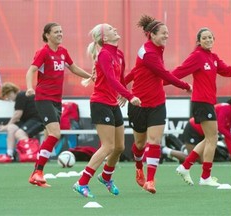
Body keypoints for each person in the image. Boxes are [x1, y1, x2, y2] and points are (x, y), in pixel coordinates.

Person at [124, 15, 192, 194]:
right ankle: (139, 167)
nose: (166, 36)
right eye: (163, 33)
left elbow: (135, 71)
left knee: (154, 141)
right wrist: (185, 85)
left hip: (157, 103)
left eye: (167, 33)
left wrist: (122, 83)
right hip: (138, 103)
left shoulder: (156, 48)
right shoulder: (148, 52)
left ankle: (151, 180)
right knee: (139, 144)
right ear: (152, 35)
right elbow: (164, 74)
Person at [73, 23, 141, 198]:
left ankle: (106, 176)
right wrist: (130, 95)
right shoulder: (104, 54)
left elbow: (121, 78)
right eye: (110, 29)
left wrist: (124, 94)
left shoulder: (118, 53)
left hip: (112, 103)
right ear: (104, 38)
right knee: (108, 146)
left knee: (119, 147)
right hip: (100, 103)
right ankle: (81, 183)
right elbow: (111, 79)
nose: (114, 29)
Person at [26, 22, 93, 187]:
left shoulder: (63, 52)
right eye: (56, 32)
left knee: (51, 135)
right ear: (47, 35)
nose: (60, 34)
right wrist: (29, 88)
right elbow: (31, 70)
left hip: (57, 99)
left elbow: (73, 67)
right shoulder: (43, 52)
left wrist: (91, 77)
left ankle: (36, 173)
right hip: (44, 98)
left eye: (61, 31)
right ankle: (38, 172)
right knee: (55, 134)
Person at [173, 28, 231, 186]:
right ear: (199, 41)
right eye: (204, 38)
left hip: (208, 103)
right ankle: (205, 177)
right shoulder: (197, 56)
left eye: (210, 37)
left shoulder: (212, 57)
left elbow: (227, 70)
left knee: (209, 138)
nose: (208, 40)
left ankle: (186, 167)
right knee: (212, 138)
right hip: (201, 102)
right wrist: (160, 81)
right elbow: (179, 71)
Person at [162, 98, 231, 163]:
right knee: (193, 159)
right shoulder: (227, 109)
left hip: (204, 134)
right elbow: (220, 127)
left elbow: (227, 136)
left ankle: (185, 150)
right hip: (193, 129)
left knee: (204, 160)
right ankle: (164, 150)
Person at [0, 82, 44, 161]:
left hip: (38, 120)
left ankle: (29, 154)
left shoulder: (20, 95)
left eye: (8, 96)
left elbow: (17, 115)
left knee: (20, 133)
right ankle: (10, 154)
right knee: (11, 128)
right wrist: (8, 126)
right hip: (28, 120)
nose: (8, 99)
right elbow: (18, 117)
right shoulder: (21, 97)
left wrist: (5, 126)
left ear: (11, 92)